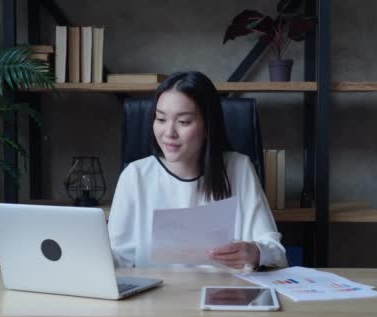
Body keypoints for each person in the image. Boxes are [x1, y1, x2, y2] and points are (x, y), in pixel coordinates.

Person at [108, 71, 288, 269]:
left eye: (183, 122)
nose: (169, 133)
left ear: (208, 126)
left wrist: (255, 252)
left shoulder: (239, 168)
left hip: (225, 294)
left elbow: (276, 253)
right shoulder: (136, 176)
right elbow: (116, 259)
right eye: (160, 119)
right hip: (156, 297)